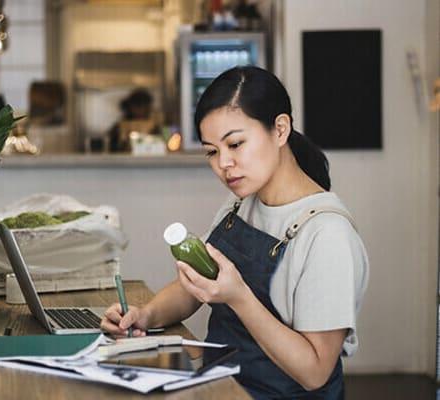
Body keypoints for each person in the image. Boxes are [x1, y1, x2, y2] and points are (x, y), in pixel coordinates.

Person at [101, 66, 369, 399]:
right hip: (223, 387)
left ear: (280, 129)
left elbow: (314, 372)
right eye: (212, 151)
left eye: (236, 144)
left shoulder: (327, 235)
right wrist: (145, 314)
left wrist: (240, 297)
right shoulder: (240, 204)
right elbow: (195, 288)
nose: (223, 163)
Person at [108, 88, 158, 152]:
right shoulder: (118, 128)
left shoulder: (155, 128)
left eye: (145, 107)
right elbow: (111, 150)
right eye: (138, 106)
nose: (141, 111)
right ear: (130, 107)